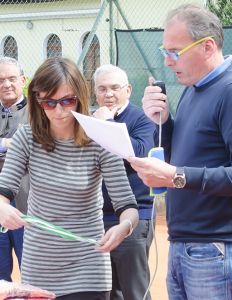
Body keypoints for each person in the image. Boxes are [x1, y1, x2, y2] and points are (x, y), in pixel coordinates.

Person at [128, 4, 232, 300]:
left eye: (175, 52)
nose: (167, 61)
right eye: (164, 51)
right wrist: (163, 122)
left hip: (218, 248)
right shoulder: (194, 89)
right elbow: (187, 153)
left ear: (207, 47)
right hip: (188, 244)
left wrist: (176, 176)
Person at [0, 57, 139, 300]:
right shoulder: (26, 138)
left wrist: (124, 227)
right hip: (39, 265)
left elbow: (127, 206)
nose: (60, 110)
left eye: (67, 100)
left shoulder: (100, 139)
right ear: (37, 100)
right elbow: (4, 191)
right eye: (49, 103)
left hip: (89, 266)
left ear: (81, 97)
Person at [93, 64, 156, 300]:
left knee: (134, 290)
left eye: (114, 88)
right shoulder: (93, 119)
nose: (108, 94)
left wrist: (108, 124)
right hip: (98, 218)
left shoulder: (141, 118)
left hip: (134, 216)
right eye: (102, 89)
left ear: (128, 90)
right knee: (109, 290)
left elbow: (139, 154)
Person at [0, 57, 29, 282]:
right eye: (1, 80)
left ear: (22, 80)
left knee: (31, 270)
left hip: (26, 207)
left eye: (11, 79)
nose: (6, 84)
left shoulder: (38, 112)